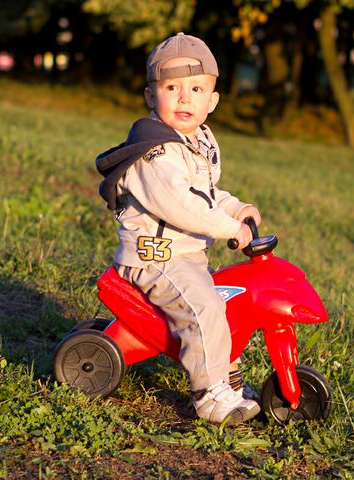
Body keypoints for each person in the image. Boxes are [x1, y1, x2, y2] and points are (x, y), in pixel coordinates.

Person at [95, 33, 261, 425]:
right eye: (173, 88)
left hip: (184, 256)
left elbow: (205, 193)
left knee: (226, 301)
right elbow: (182, 205)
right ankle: (210, 395)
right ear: (151, 96)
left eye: (196, 89)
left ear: (212, 101)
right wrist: (229, 228)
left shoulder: (197, 141)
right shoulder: (155, 153)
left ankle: (229, 380)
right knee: (204, 307)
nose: (185, 98)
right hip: (156, 258)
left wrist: (237, 208)